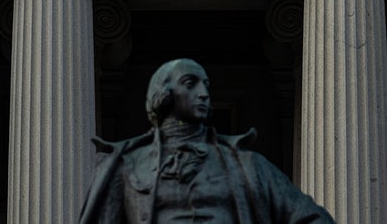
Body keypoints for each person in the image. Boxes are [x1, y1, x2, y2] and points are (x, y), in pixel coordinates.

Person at [80, 58, 335, 223]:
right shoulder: (126, 166)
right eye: (191, 84)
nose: (203, 94)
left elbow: (312, 218)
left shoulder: (248, 165)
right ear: (163, 94)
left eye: (206, 85)